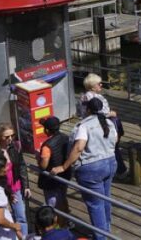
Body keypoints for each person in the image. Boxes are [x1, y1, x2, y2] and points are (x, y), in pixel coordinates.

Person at [51, 98, 118, 239]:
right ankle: (106, 229)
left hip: (91, 169)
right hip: (110, 163)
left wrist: (64, 166)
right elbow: (115, 140)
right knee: (105, 198)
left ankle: (101, 237)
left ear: (87, 110)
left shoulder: (84, 126)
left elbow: (79, 147)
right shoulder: (109, 123)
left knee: (95, 204)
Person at [0, 123, 30, 237]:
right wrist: (7, 193)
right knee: (5, 217)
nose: (10, 139)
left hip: (15, 185)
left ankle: (23, 237)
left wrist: (26, 186)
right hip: (2, 189)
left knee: (21, 216)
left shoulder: (15, 146)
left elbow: (21, 166)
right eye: (7, 137)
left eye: (12, 135)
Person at [37, 117, 71, 218]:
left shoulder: (47, 146)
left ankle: (58, 224)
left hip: (51, 180)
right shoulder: (65, 137)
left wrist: (38, 158)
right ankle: (66, 220)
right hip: (64, 174)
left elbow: (43, 165)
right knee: (62, 198)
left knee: (53, 203)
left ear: (46, 130)